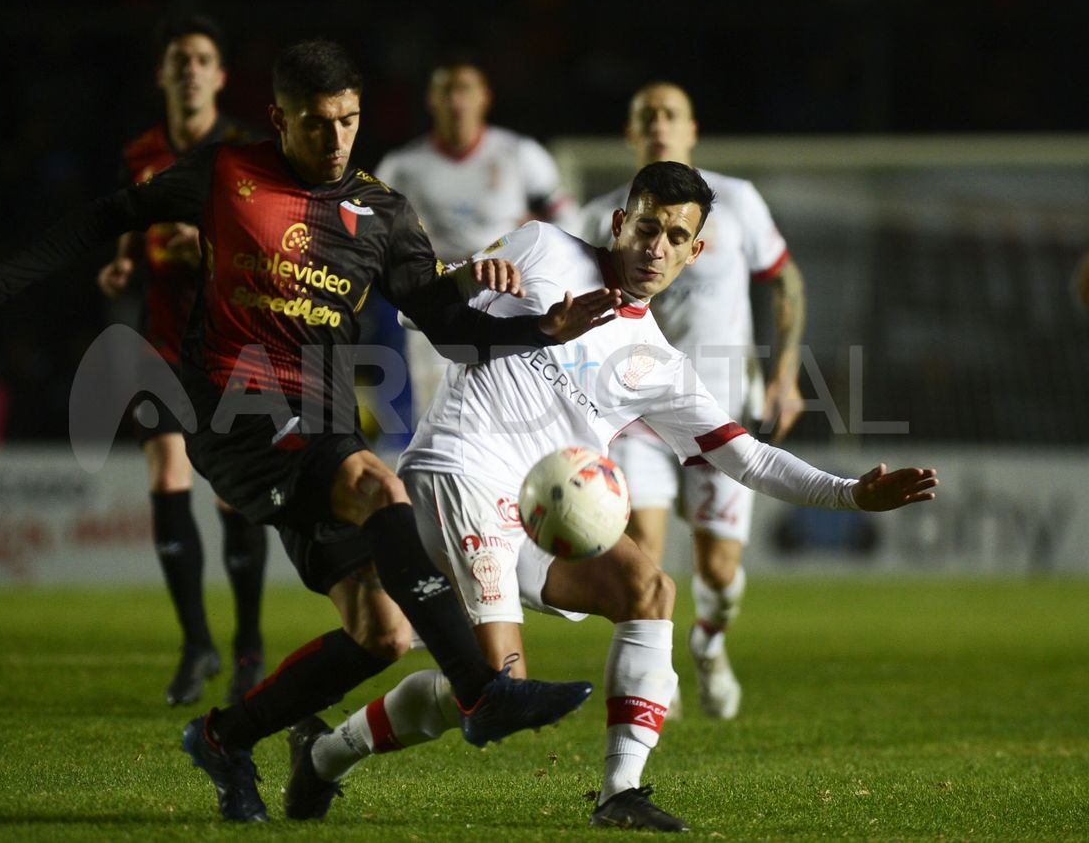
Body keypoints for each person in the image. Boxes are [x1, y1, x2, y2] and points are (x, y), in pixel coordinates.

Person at [0, 39, 621, 825]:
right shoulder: (224, 173)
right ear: (280, 119)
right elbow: (106, 216)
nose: (337, 140)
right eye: (318, 125)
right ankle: (482, 690)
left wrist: (543, 326)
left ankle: (224, 737)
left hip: (316, 428)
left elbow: (448, 328)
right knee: (376, 485)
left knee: (380, 635)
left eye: (349, 121)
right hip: (235, 414)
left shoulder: (382, 213)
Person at [281, 162, 938, 831]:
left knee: (648, 590)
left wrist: (851, 493)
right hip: (458, 473)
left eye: (676, 237)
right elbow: (433, 318)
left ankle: (618, 791)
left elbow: (749, 457)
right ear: (621, 222)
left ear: (694, 251)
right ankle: (329, 754)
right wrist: (467, 276)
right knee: (497, 689)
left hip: (532, 514)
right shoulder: (542, 246)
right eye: (647, 227)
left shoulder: (658, 364)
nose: (657, 247)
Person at [581, 81, 807, 721]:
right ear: (629, 134)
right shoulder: (604, 217)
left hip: (720, 408)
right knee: (642, 547)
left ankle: (709, 642)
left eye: (669, 113)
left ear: (692, 128)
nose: (658, 123)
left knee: (717, 569)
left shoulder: (735, 203)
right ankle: (657, 675)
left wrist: (786, 376)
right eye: (644, 115)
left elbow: (785, 278)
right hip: (637, 415)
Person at [96, 14, 269, 708]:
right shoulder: (139, 150)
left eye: (202, 59)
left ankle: (249, 644)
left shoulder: (243, 152)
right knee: (168, 473)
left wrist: (218, 256)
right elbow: (129, 234)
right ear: (163, 75)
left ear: (220, 77)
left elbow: (264, 243)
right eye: (180, 60)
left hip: (230, 344)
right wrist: (120, 266)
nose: (190, 70)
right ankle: (196, 644)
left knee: (230, 492)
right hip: (160, 339)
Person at [375, 56, 581, 423]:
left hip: (510, 293)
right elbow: (373, 236)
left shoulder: (519, 153)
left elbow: (567, 218)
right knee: (439, 409)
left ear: (485, 97)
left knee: (514, 405)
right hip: (435, 294)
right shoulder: (401, 166)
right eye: (446, 90)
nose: (456, 101)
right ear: (431, 100)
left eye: (465, 90)